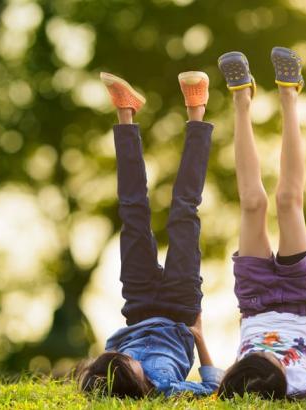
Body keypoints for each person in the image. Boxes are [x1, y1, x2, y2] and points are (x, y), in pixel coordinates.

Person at [78, 70, 221, 397]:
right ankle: (197, 111)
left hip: (138, 303)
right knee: (184, 210)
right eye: (127, 363)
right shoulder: (165, 387)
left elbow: (105, 365)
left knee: (132, 211)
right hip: (181, 309)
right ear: (137, 379)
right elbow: (213, 386)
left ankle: (125, 112)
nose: (127, 358)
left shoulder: (104, 378)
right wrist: (200, 338)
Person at [215, 47, 306, 399]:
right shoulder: (296, 387)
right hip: (299, 299)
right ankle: (289, 94)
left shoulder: (235, 386)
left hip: (255, 300)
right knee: (288, 201)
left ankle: (242, 99)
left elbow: (205, 382)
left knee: (252, 203)